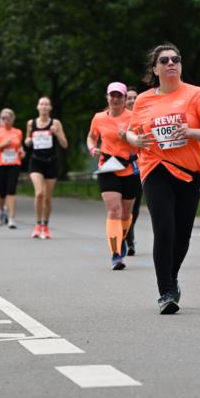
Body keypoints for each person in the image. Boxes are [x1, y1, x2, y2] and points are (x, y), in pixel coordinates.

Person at [125, 43, 200, 313]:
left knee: (182, 235)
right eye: (164, 60)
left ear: (180, 64)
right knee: (164, 230)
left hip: (189, 172)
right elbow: (132, 134)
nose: (171, 63)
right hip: (155, 167)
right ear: (155, 69)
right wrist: (137, 139)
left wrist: (190, 131)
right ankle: (166, 291)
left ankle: (172, 276)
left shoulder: (196, 94)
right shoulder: (143, 100)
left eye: (175, 59)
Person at [87, 82, 136, 270]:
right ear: (107, 97)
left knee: (125, 213)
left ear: (125, 99)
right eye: (112, 95)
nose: (115, 99)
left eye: (119, 96)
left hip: (130, 168)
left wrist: (128, 138)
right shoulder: (99, 118)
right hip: (108, 167)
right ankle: (116, 255)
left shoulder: (134, 117)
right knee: (113, 211)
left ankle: (121, 239)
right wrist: (92, 148)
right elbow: (91, 136)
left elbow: (143, 143)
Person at [25, 96, 68, 239]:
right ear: (37, 107)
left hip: (51, 162)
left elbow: (64, 144)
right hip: (36, 162)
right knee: (39, 194)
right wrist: (28, 140)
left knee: (48, 198)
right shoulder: (31, 123)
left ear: (50, 108)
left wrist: (56, 133)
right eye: (41, 104)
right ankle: (38, 225)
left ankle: (45, 226)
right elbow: (27, 140)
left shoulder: (55, 123)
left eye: (46, 104)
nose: (43, 107)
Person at [123, 87, 143, 255]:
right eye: (128, 98)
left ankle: (129, 234)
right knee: (123, 206)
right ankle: (126, 237)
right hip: (119, 165)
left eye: (134, 97)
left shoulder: (144, 115)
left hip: (139, 166)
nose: (131, 101)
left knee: (135, 206)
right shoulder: (116, 116)